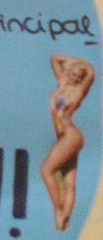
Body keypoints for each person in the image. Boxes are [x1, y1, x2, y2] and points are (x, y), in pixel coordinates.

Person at [40, 54, 95, 230]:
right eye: (73, 73)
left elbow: (91, 73)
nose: (75, 78)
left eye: (79, 76)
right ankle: (63, 223)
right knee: (69, 183)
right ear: (69, 71)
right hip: (67, 138)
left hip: (70, 135)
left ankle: (58, 210)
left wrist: (85, 64)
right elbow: (54, 59)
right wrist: (73, 61)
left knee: (46, 170)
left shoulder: (79, 91)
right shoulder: (63, 82)